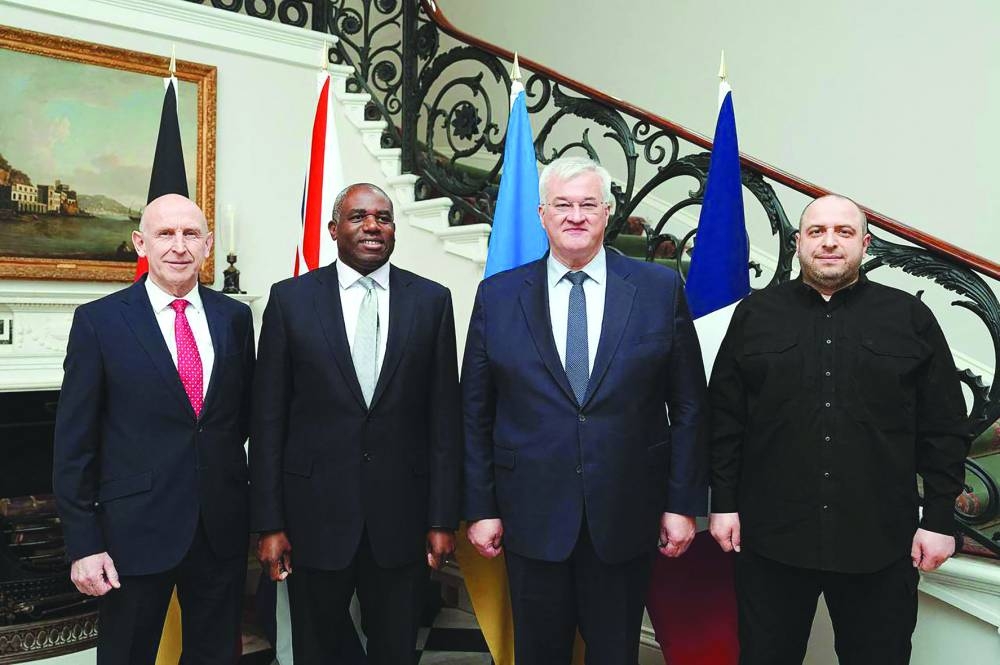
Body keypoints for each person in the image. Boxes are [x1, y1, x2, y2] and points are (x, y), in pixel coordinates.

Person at [462, 156, 709, 664]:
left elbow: (687, 405)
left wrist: (682, 504)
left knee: (616, 653)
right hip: (529, 514)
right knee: (538, 653)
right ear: (542, 214)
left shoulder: (659, 290)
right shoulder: (499, 295)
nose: (575, 216)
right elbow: (475, 412)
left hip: (626, 512)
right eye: (563, 205)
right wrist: (481, 507)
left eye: (588, 205)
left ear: (608, 213)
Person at [708, 194, 970, 665]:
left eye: (844, 233)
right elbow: (725, 419)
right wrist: (722, 503)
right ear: (799, 242)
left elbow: (944, 427)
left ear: (865, 244)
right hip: (771, 541)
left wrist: (938, 519)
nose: (830, 243)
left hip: (879, 542)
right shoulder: (755, 315)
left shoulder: (909, 318)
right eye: (817, 232)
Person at [250, 183, 461, 665]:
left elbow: (444, 420)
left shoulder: (431, 301)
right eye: (358, 216)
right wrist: (269, 523)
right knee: (317, 649)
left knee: (396, 650)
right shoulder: (290, 301)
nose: (372, 226)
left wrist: (442, 517)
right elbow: (268, 422)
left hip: (402, 522)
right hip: (313, 520)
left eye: (383, 218)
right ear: (333, 229)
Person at [53, 193, 256, 665]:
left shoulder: (236, 319)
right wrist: (84, 544)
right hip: (132, 533)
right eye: (165, 233)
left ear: (208, 245)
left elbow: (239, 420)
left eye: (190, 235)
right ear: (140, 243)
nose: (178, 246)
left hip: (219, 529)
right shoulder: (99, 322)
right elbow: (73, 445)